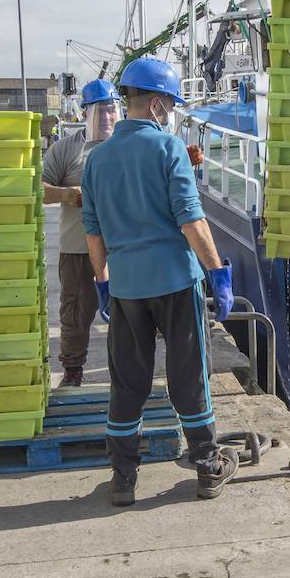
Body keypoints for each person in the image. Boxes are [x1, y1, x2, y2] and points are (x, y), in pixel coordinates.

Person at [81, 57, 239, 506]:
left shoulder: (97, 160)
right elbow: (192, 220)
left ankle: (123, 477)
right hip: (174, 282)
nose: (169, 113)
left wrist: (103, 282)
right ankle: (207, 466)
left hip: (127, 287)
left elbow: (94, 232)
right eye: (168, 105)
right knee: (189, 375)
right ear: (154, 104)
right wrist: (218, 274)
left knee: (127, 382)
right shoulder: (169, 149)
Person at [42, 78, 121, 388]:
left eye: (112, 110)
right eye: (99, 111)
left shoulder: (128, 146)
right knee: (75, 314)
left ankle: (125, 373)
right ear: (84, 112)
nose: (106, 118)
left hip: (121, 251)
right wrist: (66, 195)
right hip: (78, 251)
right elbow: (36, 188)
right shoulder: (66, 150)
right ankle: (73, 370)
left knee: (128, 314)